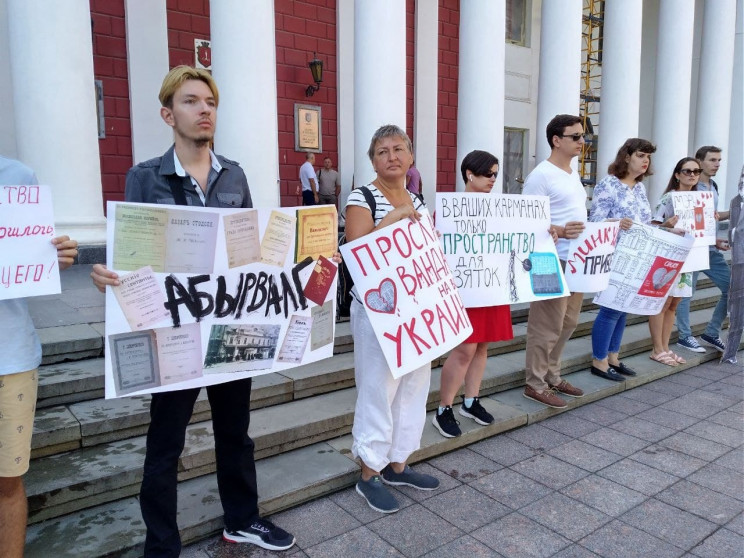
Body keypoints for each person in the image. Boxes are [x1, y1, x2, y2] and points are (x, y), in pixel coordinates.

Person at [90, 66, 294, 556]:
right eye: (190, 101)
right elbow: (131, 258)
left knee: (235, 433)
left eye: (210, 101)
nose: (204, 110)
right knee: (165, 445)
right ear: (168, 113)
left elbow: (247, 253)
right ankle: (161, 544)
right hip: (173, 333)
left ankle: (241, 520)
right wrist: (109, 276)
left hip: (227, 327)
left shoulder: (235, 175)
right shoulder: (144, 178)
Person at [344, 124, 439, 514]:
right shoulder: (362, 197)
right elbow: (356, 249)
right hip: (377, 311)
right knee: (378, 390)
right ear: (373, 161)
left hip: (416, 308)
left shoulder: (420, 200)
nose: (392, 156)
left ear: (411, 157)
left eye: (398, 149)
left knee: (415, 387)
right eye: (382, 151)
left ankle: (398, 465)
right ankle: (368, 474)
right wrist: (396, 216)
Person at [0, 156, 79, 558]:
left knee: (7, 483)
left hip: (9, 359)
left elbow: (28, 254)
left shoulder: (17, 177)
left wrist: (54, 256)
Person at [432, 150, 513, 438]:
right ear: (469, 173)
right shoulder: (449, 209)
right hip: (464, 288)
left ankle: (471, 400)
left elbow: (516, 238)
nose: (493, 179)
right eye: (487, 173)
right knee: (465, 348)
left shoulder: (499, 209)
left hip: (490, 285)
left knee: (481, 346)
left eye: (495, 174)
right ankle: (444, 408)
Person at [522, 114, 588, 409]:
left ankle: (552, 374)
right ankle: (534, 383)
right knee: (546, 323)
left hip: (575, 258)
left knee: (569, 321)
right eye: (575, 137)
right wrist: (559, 230)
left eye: (583, 136)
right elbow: (526, 221)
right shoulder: (541, 175)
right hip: (548, 259)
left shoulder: (572, 173)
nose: (582, 142)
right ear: (556, 140)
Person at [588, 138, 665, 382]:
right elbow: (595, 221)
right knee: (611, 309)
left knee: (623, 309)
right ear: (626, 157)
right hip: (615, 255)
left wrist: (663, 225)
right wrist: (616, 223)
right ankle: (598, 360)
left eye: (648, 157)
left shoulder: (640, 188)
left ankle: (613, 356)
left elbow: (644, 221)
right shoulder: (608, 185)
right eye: (641, 155)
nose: (645, 161)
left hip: (637, 256)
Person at [676, 146, 730, 353]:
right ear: (699, 160)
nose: (717, 164)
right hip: (692, 248)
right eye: (712, 160)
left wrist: (737, 209)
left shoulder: (712, 185)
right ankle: (684, 336)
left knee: (733, 288)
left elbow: (711, 217)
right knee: (686, 293)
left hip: (709, 248)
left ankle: (711, 332)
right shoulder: (691, 187)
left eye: (719, 160)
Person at [648, 157, 701, 366]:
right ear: (677, 174)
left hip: (689, 257)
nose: (692, 175)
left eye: (696, 171)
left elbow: (700, 228)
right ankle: (657, 348)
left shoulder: (699, 199)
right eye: (687, 171)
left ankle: (666, 347)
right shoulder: (668, 198)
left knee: (674, 304)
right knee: (661, 303)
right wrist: (667, 226)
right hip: (669, 257)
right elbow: (653, 226)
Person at [721, 166, 744, 364]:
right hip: (740, 260)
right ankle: (730, 352)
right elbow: (733, 231)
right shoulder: (737, 202)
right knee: (737, 303)